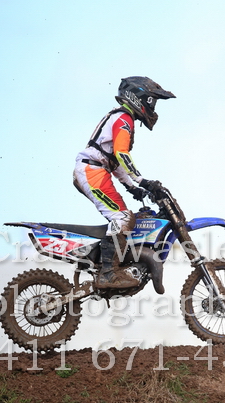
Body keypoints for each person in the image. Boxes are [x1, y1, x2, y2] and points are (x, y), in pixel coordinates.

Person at [73, 76, 175, 289]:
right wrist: (142, 181)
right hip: (92, 171)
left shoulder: (121, 117)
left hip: (97, 170)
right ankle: (107, 273)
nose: (153, 107)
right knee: (122, 218)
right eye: (152, 101)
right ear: (139, 98)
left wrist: (131, 187)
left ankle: (109, 264)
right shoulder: (124, 118)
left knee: (127, 218)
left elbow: (114, 160)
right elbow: (121, 153)